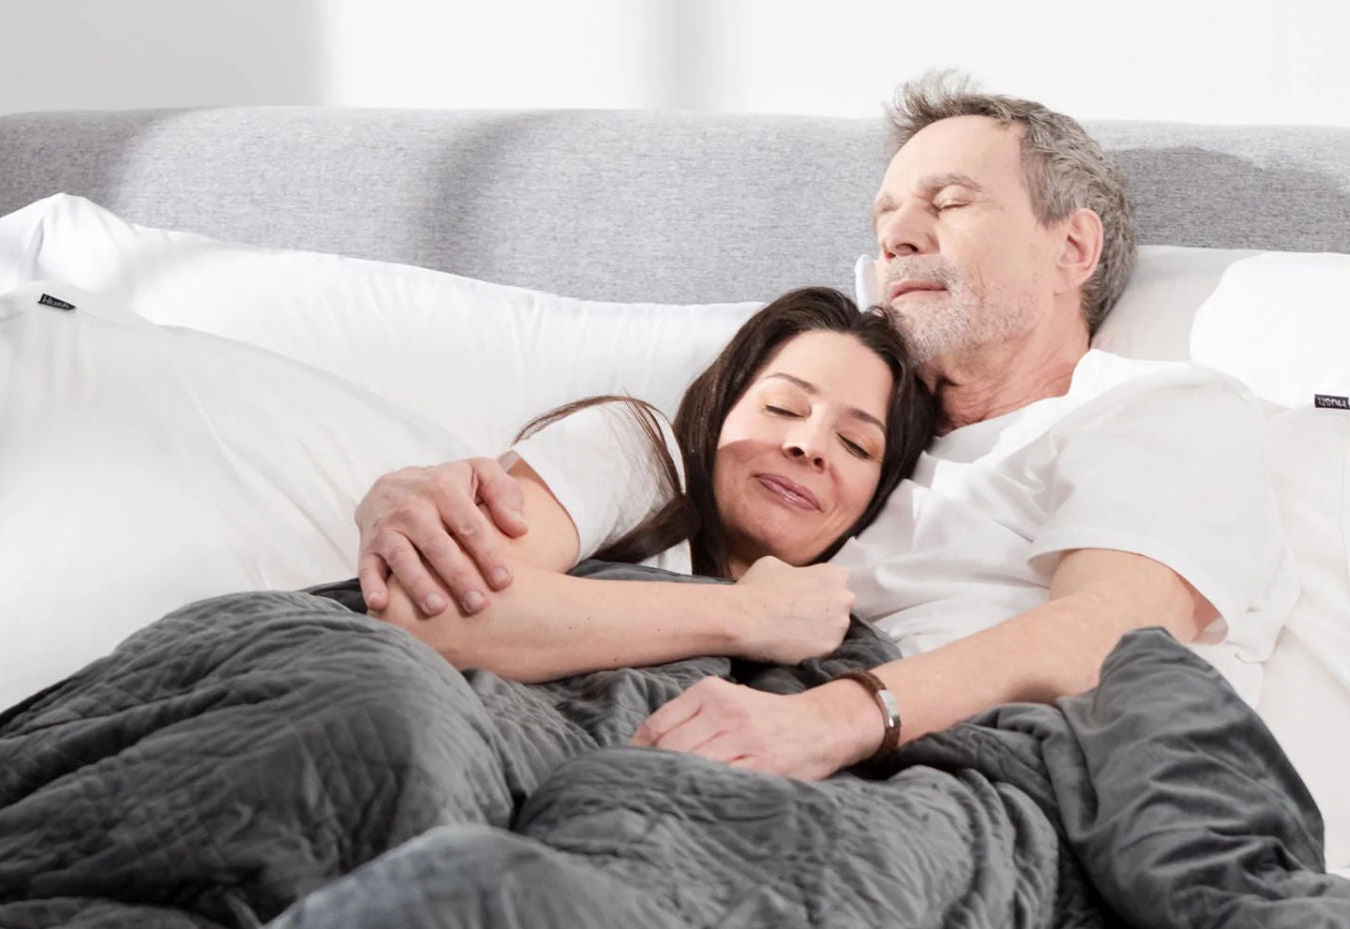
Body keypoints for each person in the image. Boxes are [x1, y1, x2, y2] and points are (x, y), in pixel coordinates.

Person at [354, 71, 1297, 780]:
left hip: (922, 782)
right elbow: (656, 471)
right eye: (885, 215)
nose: (897, 236)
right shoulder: (848, 457)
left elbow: (1111, 632)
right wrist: (403, 494)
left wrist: (841, 718)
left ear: (1073, 247)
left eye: (950, 202)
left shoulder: (1149, 411)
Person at [371, 286, 938, 682]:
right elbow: (432, 618)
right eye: (782, 406)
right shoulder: (635, 449)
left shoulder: (834, 640)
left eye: (855, 445)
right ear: (722, 408)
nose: (808, 445)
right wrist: (749, 615)